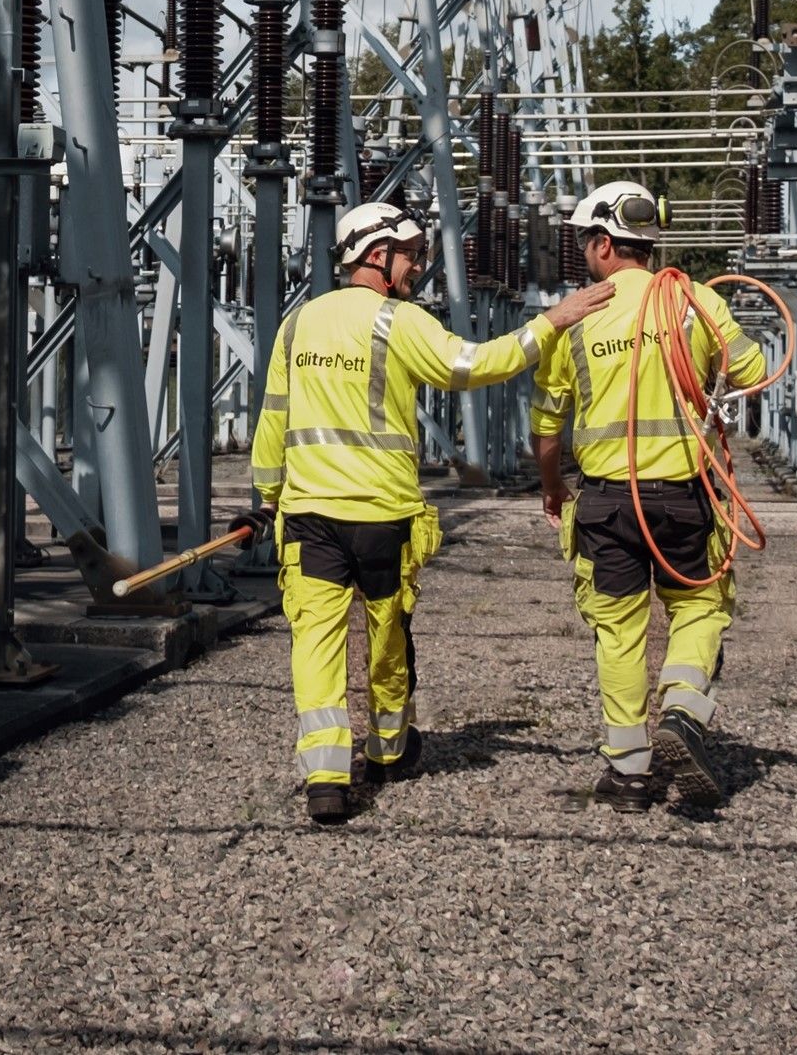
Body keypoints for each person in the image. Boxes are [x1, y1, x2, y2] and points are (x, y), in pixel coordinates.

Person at [234, 201, 612, 824]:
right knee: (387, 635)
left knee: (316, 644)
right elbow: (475, 364)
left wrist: (267, 497)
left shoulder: (298, 326)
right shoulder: (396, 321)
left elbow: (273, 418)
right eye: (410, 255)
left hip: (307, 517)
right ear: (377, 256)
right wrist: (553, 322)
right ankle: (389, 747)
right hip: (382, 516)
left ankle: (326, 778)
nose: (417, 267)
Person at [532, 180, 770, 809]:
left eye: (587, 241)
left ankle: (629, 773)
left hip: (608, 501)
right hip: (684, 497)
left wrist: (554, 486)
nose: (586, 252)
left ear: (605, 243)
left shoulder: (577, 317)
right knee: (700, 608)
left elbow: (548, 425)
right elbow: (752, 372)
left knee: (618, 631)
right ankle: (684, 716)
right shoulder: (692, 301)